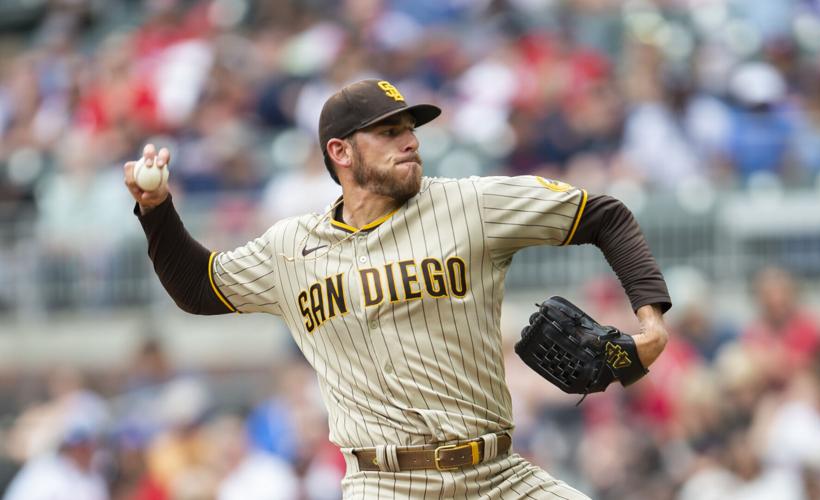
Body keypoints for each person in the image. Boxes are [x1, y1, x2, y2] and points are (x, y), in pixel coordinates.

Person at [124, 79, 671, 498]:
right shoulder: (288, 248)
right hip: (385, 484)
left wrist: (652, 323)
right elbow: (198, 287)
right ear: (341, 152)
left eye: (410, 130)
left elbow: (605, 215)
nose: (410, 143)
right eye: (388, 133)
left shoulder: (470, 205)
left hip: (500, 476)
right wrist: (156, 211)